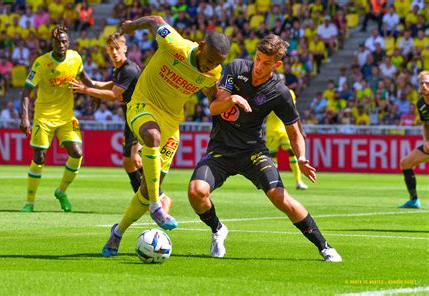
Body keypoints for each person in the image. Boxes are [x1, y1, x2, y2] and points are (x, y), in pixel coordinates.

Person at [187, 34, 342, 262]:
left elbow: (294, 130)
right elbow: (214, 107)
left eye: (266, 63)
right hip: (220, 149)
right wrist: (232, 100)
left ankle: (324, 246)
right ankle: (218, 229)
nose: (259, 66)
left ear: (277, 64)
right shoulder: (237, 67)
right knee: (196, 193)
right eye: (258, 59)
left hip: (253, 152)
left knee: (281, 198)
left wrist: (301, 157)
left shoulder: (279, 92)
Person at [101, 15, 229, 257]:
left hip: (171, 123)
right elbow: (156, 20)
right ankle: (156, 206)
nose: (210, 66)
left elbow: (212, 95)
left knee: (148, 187)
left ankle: (117, 232)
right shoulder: (175, 44)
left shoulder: (213, 73)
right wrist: (131, 26)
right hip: (143, 104)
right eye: (209, 59)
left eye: (216, 63)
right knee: (151, 136)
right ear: (200, 45)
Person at [69, 33, 171, 211]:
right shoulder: (119, 70)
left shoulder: (129, 69)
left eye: (117, 48)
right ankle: (144, 201)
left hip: (141, 115)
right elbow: (112, 85)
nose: (114, 52)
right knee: (128, 162)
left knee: (135, 159)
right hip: (130, 118)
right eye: (111, 49)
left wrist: (86, 89)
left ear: (125, 48)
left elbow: (113, 95)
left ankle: (161, 197)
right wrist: (92, 83)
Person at [19, 25, 94, 212]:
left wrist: (96, 95)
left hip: (67, 116)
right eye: (58, 41)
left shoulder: (75, 58)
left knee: (77, 153)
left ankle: (61, 191)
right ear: (52, 43)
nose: (61, 44)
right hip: (44, 116)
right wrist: (25, 118)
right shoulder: (41, 63)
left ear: (68, 43)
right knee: (40, 157)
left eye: (64, 41)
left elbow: (87, 81)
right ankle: (30, 202)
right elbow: (26, 91)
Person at [266, 74, 308, 190]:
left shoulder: (290, 93)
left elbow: (294, 112)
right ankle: (275, 183)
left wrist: (300, 129)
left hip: (285, 128)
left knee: (292, 153)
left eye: (282, 79)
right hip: (272, 129)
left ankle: (298, 181)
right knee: (273, 158)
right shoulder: (267, 91)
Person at [398, 71, 429, 209]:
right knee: (405, 163)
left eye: (427, 83)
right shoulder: (421, 103)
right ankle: (414, 199)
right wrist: (426, 141)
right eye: (421, 83)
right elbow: (425, 124)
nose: (424, 85)